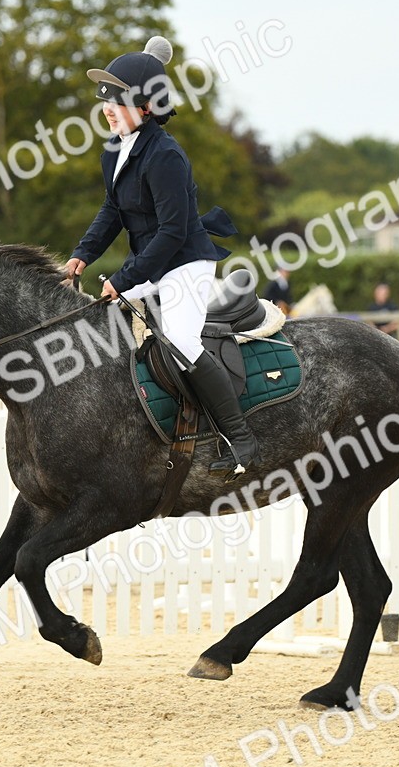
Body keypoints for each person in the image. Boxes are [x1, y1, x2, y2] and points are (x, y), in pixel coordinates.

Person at [62, 35, 257, 479]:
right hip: (154, 261)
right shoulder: (115, 149)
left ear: (146, 105)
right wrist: (82, 256)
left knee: (182, 341)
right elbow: (113, 209)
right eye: (105, 99)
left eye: (117, 99)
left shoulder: (166, 155)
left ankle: (240, 435)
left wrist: (127, 277)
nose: (107, 108)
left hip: (184, 262)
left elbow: (171, 233)